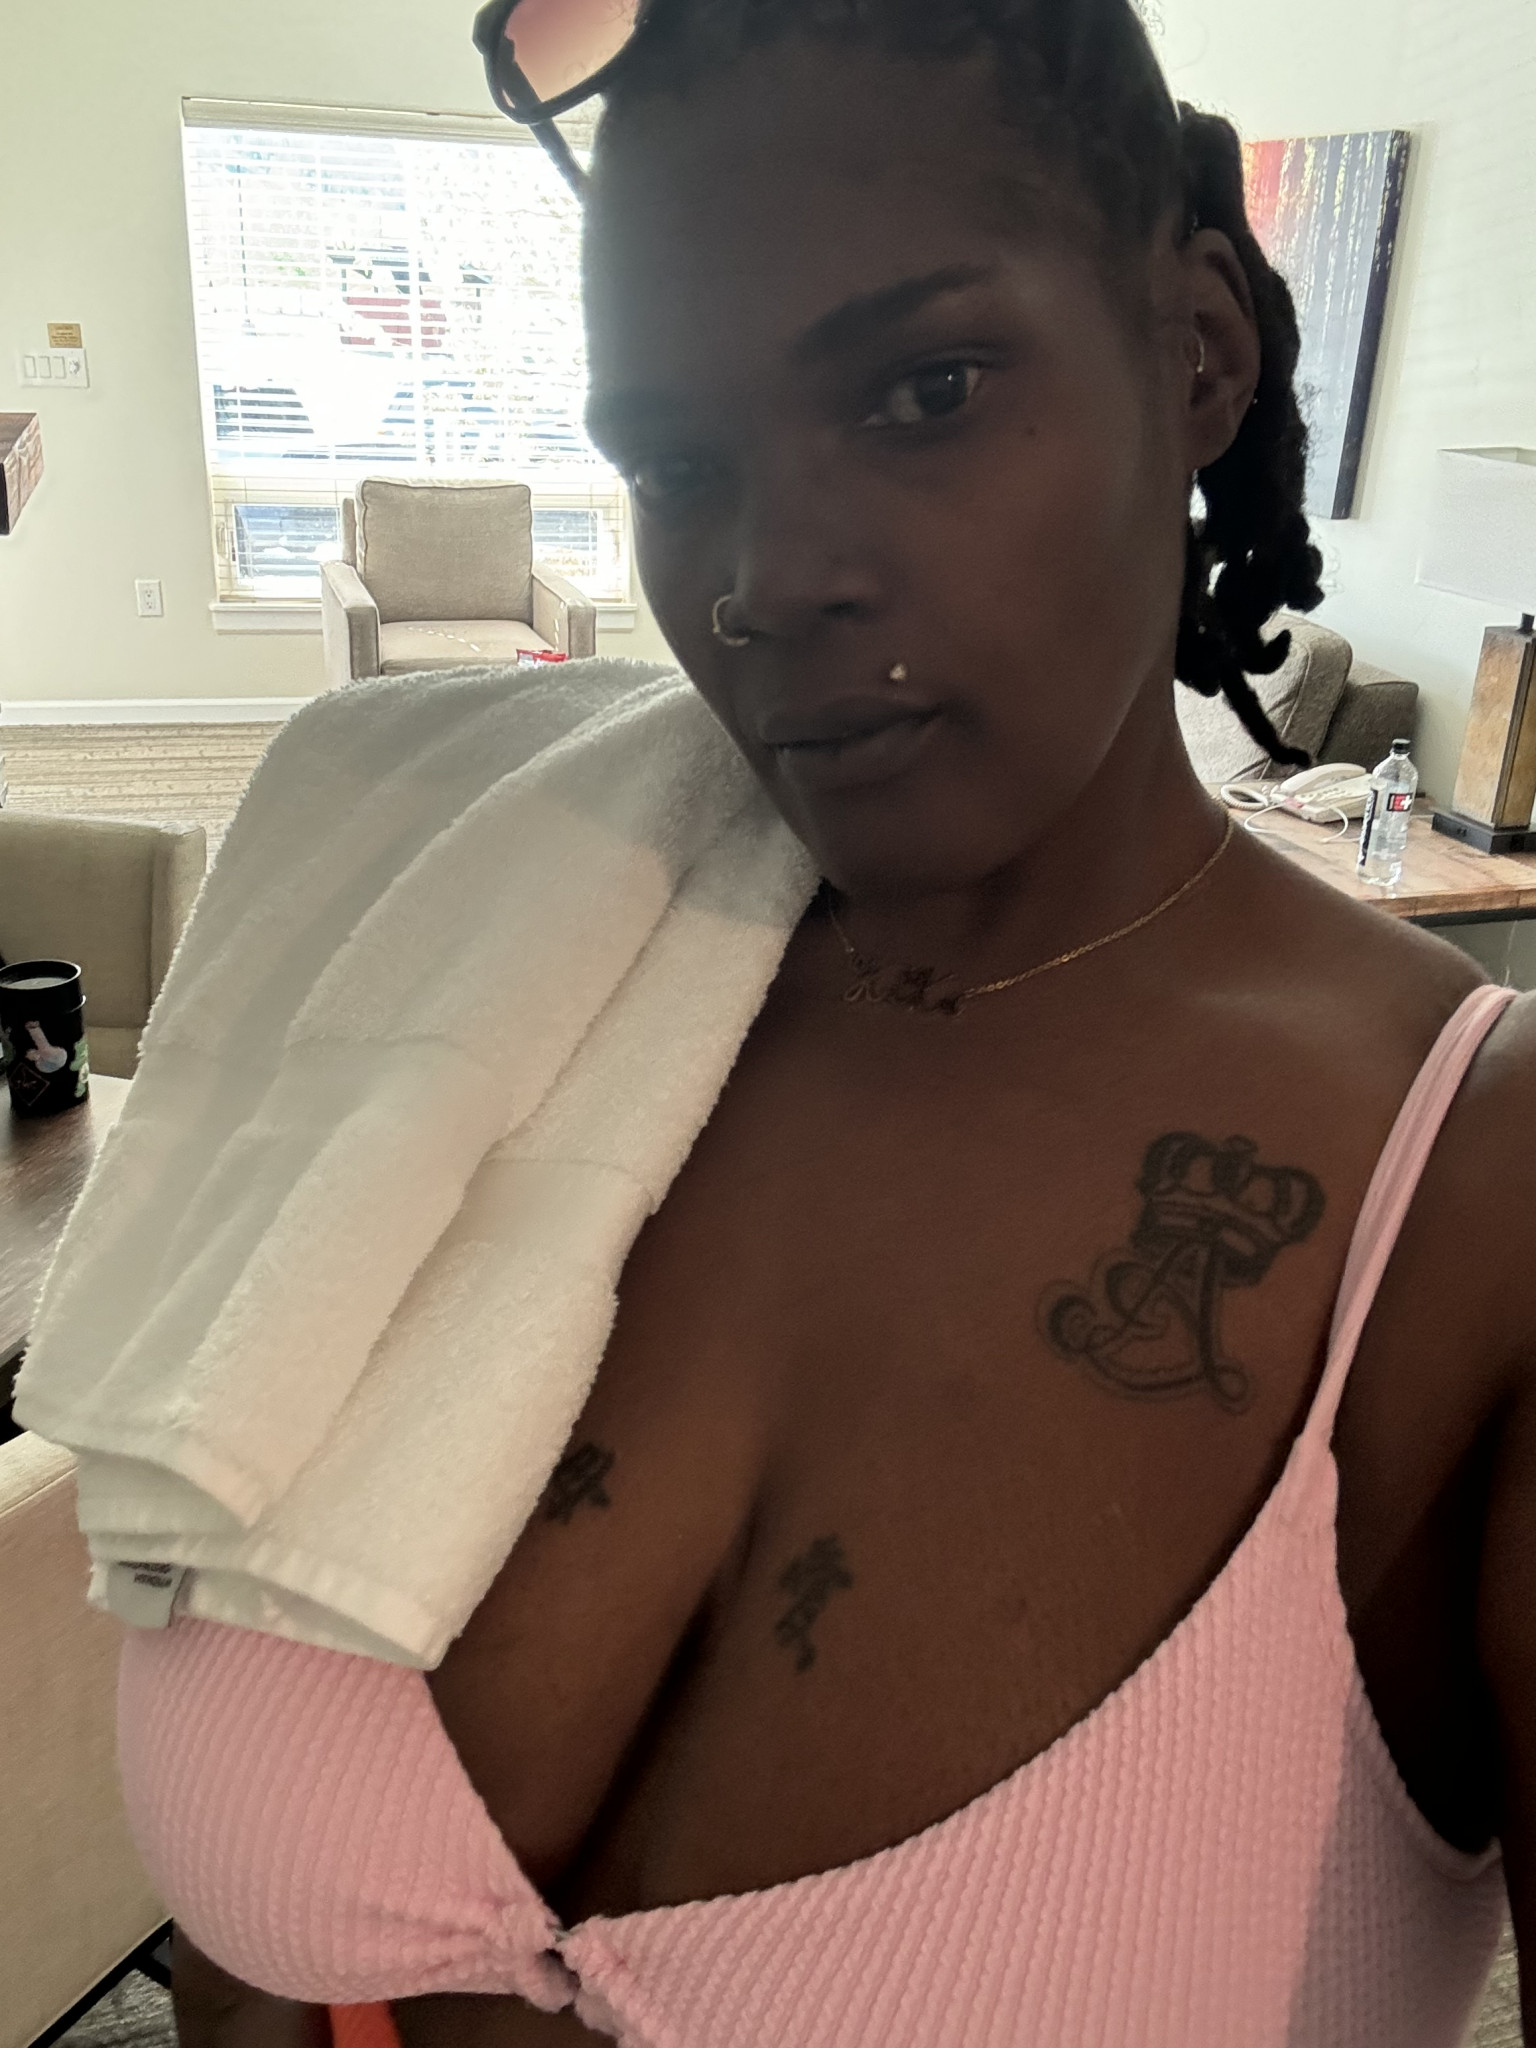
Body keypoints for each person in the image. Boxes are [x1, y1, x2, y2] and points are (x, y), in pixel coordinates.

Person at [165, 1, 1536, 2042]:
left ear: (1195, 353)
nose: (764, 578)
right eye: (673, 460)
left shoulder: (1475, 1203)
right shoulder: (504, 963)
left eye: (924, 389)